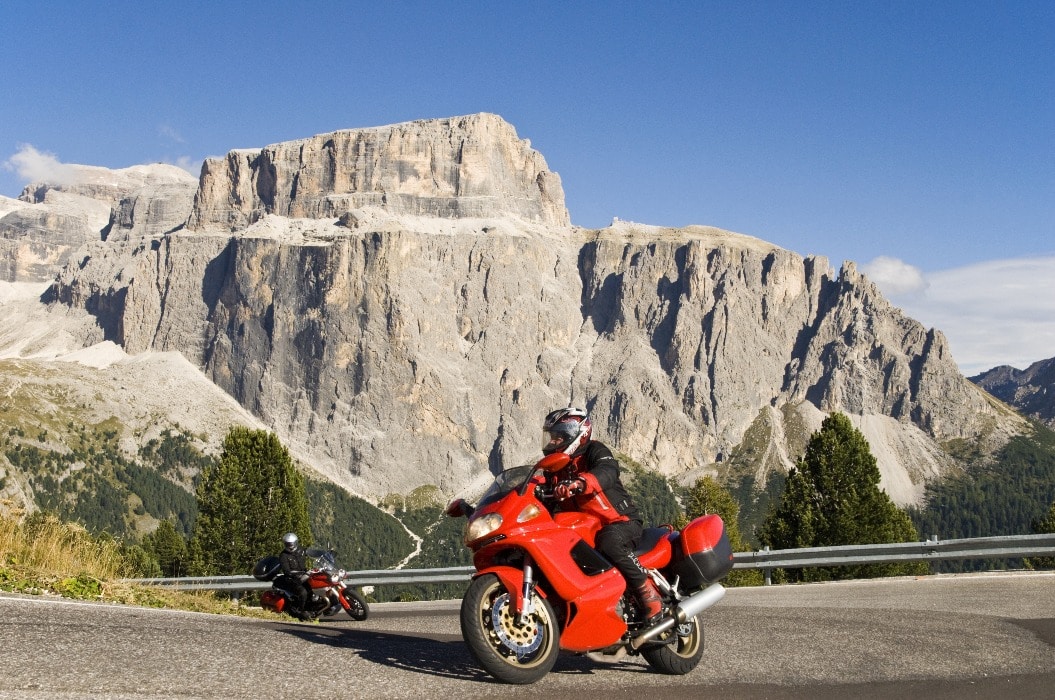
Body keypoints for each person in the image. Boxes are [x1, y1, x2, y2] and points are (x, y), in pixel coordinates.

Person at [540, 407, 664, 624]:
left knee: (609, 541)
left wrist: (581, 483)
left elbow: (607, 471)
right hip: (584, 529)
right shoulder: (554, 469)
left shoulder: (595, 450)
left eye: (559, 436)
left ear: (577, 433)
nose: (553, 441)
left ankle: (647, 591)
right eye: (551, 436)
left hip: (620, 522)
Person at [278, 532, 312, 620]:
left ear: (296, 542)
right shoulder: (283, 556)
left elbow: (310, 552)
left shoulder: (300, 549)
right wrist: (298, 573)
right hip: (292, 579)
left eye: (292, 543)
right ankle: (300, 611)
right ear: (285, 544)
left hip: (304, 575)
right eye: (288, 544)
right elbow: (286, 571)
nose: (291, 546)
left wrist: (321, 554)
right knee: (303, 592)